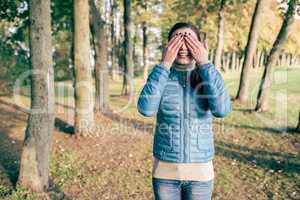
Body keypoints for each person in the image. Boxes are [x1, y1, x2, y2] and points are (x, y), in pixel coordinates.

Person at [137, 22, 232, 200]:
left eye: (189, 40)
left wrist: (204, 63)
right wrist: (165, 63)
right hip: (165, 175)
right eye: (177, 40)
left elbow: (222, 110)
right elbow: (146, 109)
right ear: (168, 46)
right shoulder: (160, 74)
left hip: (201, 175)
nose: (183, 47)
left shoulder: (208, 75)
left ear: (200, 46)